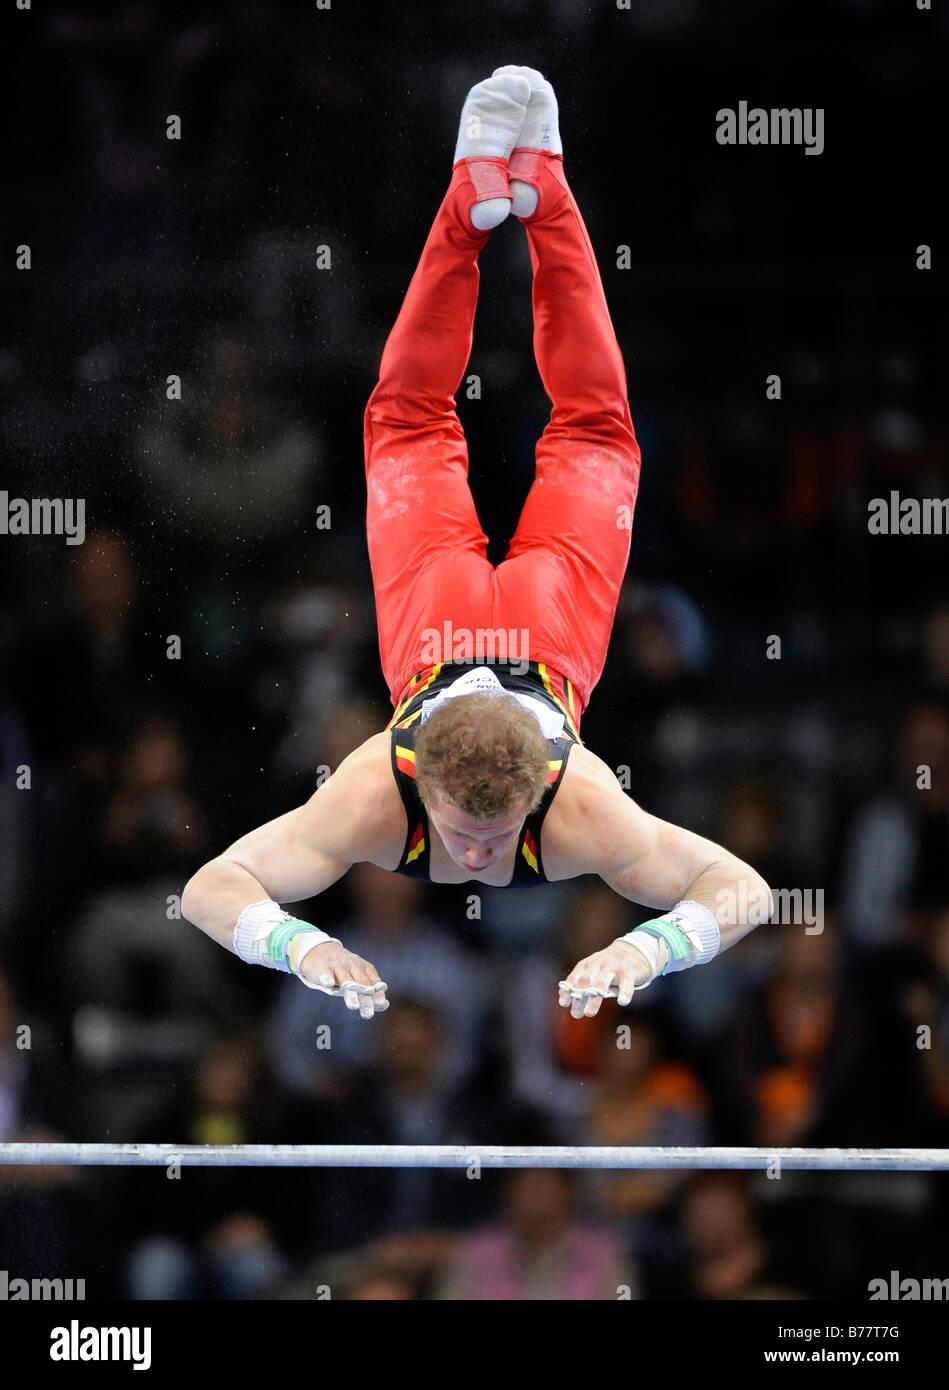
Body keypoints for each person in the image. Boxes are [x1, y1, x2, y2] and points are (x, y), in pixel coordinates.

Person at [182, 68, 772, 1022]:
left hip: (435, 627)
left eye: (489, 841)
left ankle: (471, 201)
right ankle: (545, 189)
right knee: (592, 431)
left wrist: (645, 946)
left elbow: (747, 889)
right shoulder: (384, 787)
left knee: (409, 425)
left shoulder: (569, 799)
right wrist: (304, 942)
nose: (472, 858)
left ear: (541, 779)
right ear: (418, 774)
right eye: (466, 837)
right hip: (549, 635)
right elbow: (209, 888)